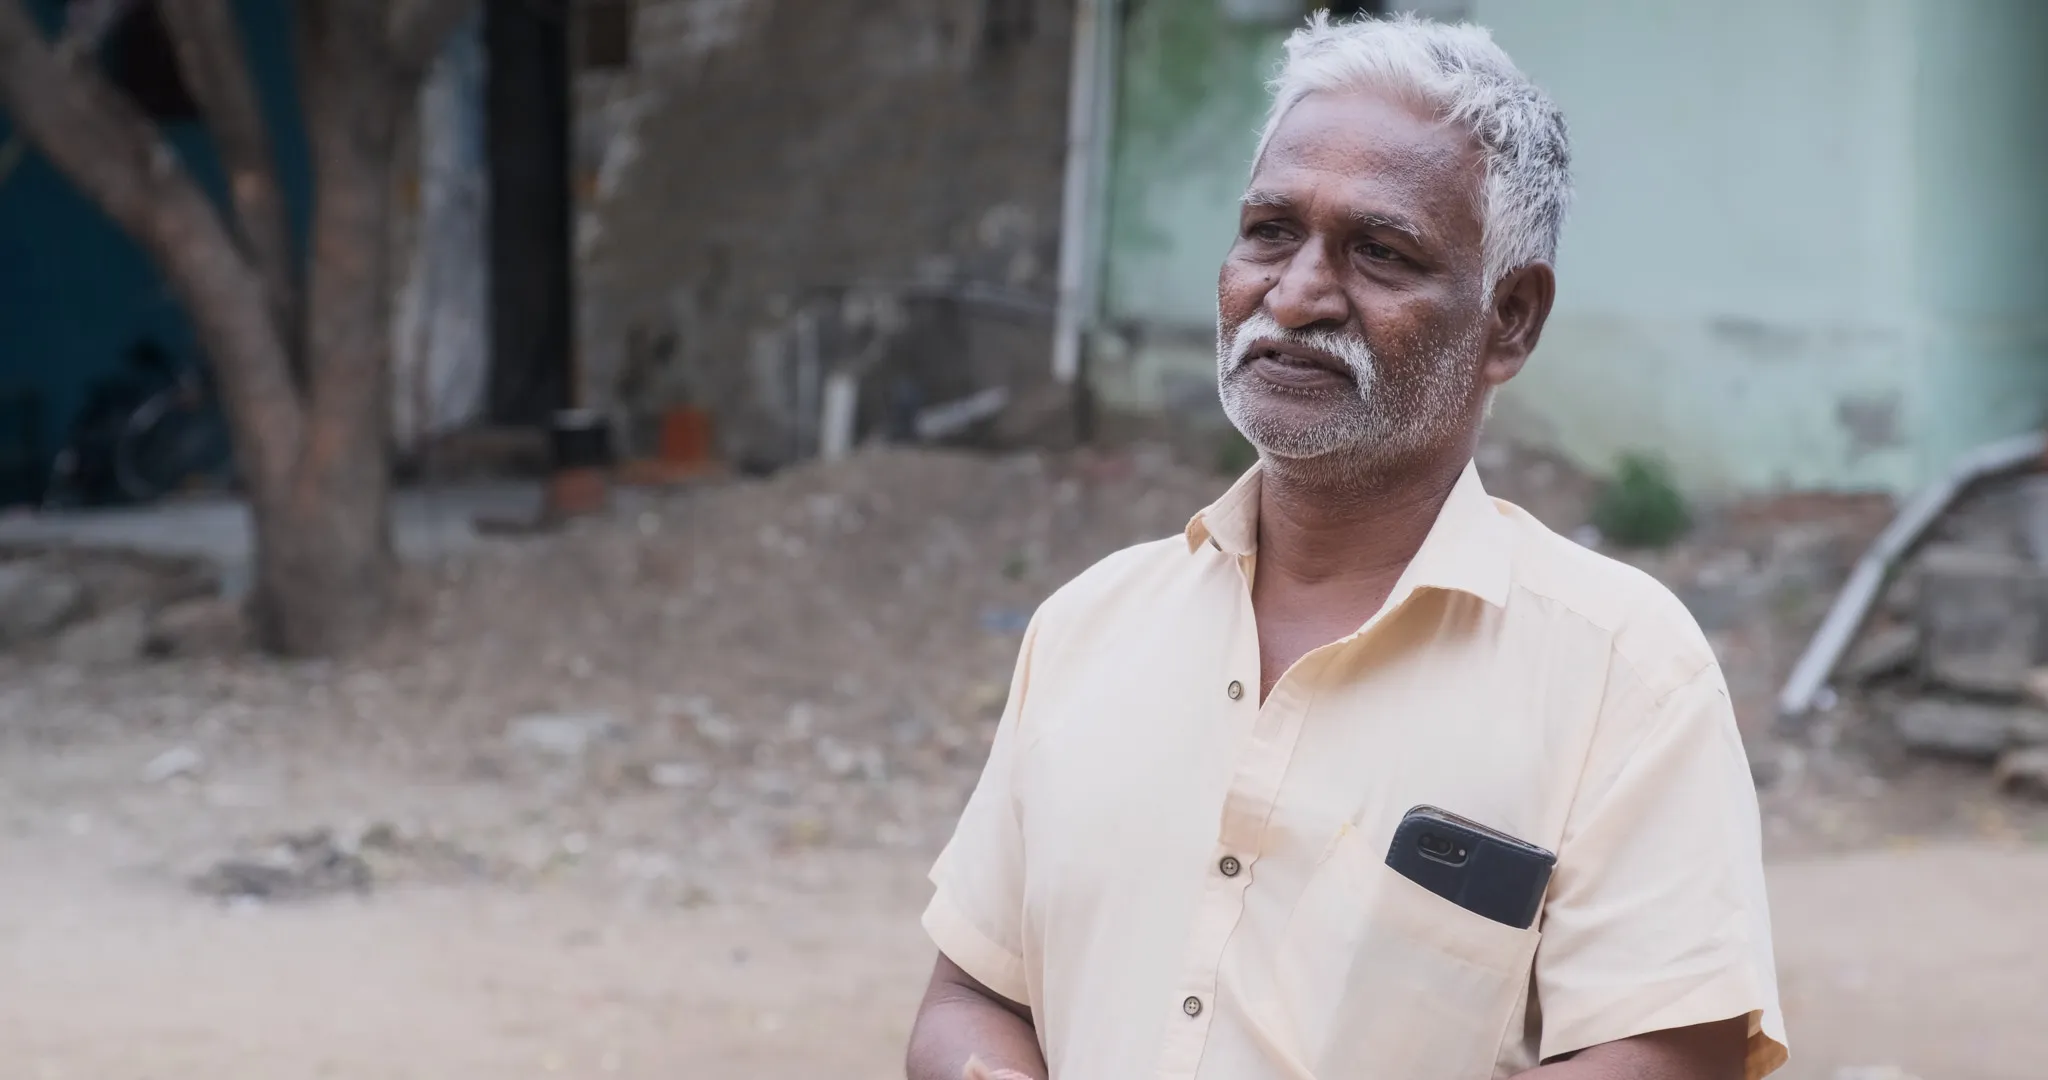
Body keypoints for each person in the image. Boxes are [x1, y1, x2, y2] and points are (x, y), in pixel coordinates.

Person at [906, 13, 1786, 1080]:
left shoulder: (1624, 673)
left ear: (1508, 319)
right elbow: (970, 995)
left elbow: (1663, 1057)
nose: (1295, 294)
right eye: (1269, 230)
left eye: (1379, 251)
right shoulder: (1087, 628)